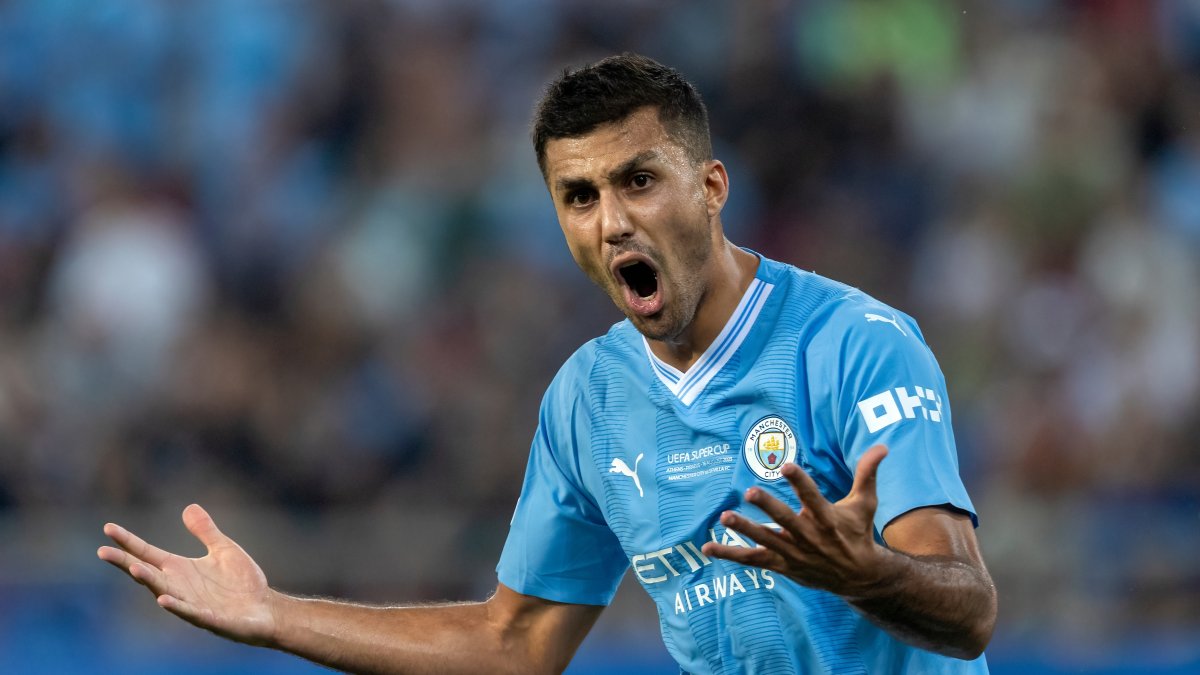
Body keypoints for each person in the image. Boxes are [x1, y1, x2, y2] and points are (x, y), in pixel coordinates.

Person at [98, 53, 997, 674]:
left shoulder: (855, 344)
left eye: (638, 180)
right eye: (579, 196)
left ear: (711, 188)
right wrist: (272, 615)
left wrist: (863, 571)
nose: (612, 220)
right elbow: (514, 643)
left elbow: (969, 609)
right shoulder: (586, 400)